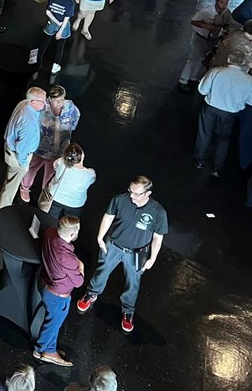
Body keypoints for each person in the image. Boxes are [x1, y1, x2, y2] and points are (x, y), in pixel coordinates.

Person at [76, 176, 168, 334]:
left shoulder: (158, 212)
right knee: (101, 272)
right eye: (130, 191)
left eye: (136, 193)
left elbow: (158, 238)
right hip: (113, 246)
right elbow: (108, 217)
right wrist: (100, 237)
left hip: (136, 253)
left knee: (133, 283)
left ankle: (128, 311)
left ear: (148, 193)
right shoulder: (119, 200)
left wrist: (152, 258)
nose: (131, 195)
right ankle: (91, 294)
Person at [194, 49, 252, 176]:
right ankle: (218, 168)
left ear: (229, 59)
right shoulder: (250, 80)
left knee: (204, 134)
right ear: (244, 63)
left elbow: (202, 90)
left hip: (210, 108)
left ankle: (198, 161)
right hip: (230, 113)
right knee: (223, 139)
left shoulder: (216, 71)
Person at [33, 215, 83, 367]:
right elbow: (79, 281)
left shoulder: (50, 233)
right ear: (72, 235)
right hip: (58, 296)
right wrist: (81, 266)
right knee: (53, 324)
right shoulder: (68, 259)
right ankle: (40, 350)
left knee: (54, 321)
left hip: (46, 284)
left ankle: (50, 349)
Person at [21, 84, 80, 201]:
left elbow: (75, 118)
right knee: (32, 168)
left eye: (62, 100)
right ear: (49, 99)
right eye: (56, 101)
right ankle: (25, 188)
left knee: (51, 174)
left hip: (60, 149)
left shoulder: (70, 107)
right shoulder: (42, 108)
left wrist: (67, 131)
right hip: (41, 148)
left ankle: (45, 195)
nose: (60, 103)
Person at [0, 88, 48, 213]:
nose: (45, 104)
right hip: (18, 158)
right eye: (42, 101)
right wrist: (24, 165)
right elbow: (22, 148)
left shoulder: (24, 103)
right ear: (33, 101)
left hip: (10, 150)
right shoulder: (28, 123)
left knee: (9, 183)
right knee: (10, 188)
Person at [178, 0, 232, 91]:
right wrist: (206, 26)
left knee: (203, 59)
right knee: (193, 58)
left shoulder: (227, 13)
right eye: (221, 2)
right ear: (216, 1)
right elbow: (193, 21)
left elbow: (226, 24)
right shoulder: (206, 11)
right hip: (201, 37)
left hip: (213, 39)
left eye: (226, 3)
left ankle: (194, 78)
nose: (223, 5)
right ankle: (183, 80)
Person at [31, 0, 75, 75]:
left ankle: (37, 62)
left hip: (51, 23)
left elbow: (48, 12)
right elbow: (66, 18)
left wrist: (56, 22)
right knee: (60, 46)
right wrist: (60, 29)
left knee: (44, 41)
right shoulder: (70, 3)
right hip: (63, 26)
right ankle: (54, 67)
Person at [43, 143, 97, 219]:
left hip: (55, 197)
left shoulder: (61, 161)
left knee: (50, 219)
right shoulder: (90, 174)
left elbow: (55, 167)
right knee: (70, 222)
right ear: (82, 156)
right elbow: (92, 181)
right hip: (75, 204)